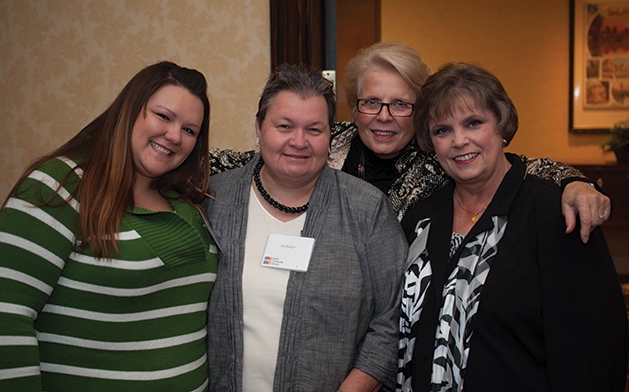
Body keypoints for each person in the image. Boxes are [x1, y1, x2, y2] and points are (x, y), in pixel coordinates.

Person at [209, 41, 611, 242]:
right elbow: (240, 160)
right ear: (355, 105)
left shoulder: (441, 156)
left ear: (421, 111)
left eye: (401, 104)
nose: (384, 117)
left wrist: (577, 183)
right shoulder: (323, 144)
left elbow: (519, 167)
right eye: (371, 103)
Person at [398, 62, 628, 392]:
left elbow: (595, 352)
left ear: (502, 125)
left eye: (473, 123)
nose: (459, 140)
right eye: (442, 130)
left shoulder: (556, 213)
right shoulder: (422, 217)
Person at [0, 61, 218, 391]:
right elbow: (7, 313)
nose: (174, 136)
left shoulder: (187, 200)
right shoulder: (59, 186)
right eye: (163, 116)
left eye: (189, 130)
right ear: (129, 112)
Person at [204, 64, 407, 391]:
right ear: (259, 127)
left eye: (314, 129)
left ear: (331, 135)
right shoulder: (215, 200)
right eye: (284, 126)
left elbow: (393, 318)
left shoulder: (366, 210)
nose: (298, 141)